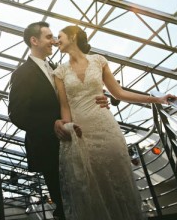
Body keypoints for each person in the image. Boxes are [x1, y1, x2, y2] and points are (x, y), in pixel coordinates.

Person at [53, 25, 177, 220]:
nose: (56, 40)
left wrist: (156, 99)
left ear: (73, 36)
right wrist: (66, 126)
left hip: (106, 128)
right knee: (93, 187)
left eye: (59, 36)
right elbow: (65, 108)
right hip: (82, 134)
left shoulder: (99, 61)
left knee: (119, 182)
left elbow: (119, 93)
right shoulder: (59, 72)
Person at [8, 21, 109, 219]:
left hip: (75, 141)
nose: (53, 42)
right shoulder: (22, 73)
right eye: (48, 37)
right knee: (64, 202)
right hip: (48, 146)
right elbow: (17, 113)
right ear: (34, 40)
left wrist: (96, 98)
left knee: (86, 195)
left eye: (54, 37)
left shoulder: (57, 68)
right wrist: (51, 123)